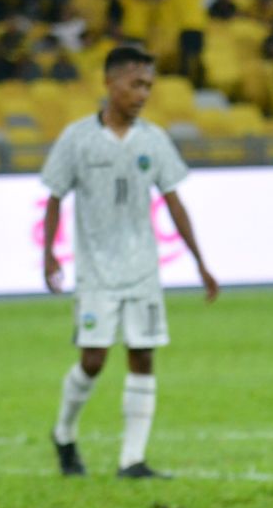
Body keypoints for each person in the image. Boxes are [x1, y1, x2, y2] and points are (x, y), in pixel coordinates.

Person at [40, 46, 219, 479]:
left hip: (142, 268)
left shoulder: (153, 140)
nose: (142, 94)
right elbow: (54, 197)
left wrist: (200, 262)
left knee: (143, 355)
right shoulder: (77, 138)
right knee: (94, 360)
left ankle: (132, 460)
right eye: (135, 84)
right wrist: (48, 255)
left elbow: (174, 201)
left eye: (148, 87)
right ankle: (64, 433)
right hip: (96, 271)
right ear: (110, 83)